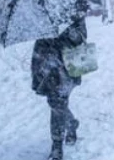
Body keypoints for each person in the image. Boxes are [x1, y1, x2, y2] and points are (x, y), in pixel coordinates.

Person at [31, 15, 87, 160]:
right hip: (46, 64)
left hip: (67, 66)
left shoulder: (71, 9)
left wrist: (63, 33)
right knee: (55, 103)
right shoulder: (39, 10)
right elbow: (37, 36)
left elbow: (80, 37)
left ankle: (57, 146)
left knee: (57, 103)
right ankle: (71, 123)